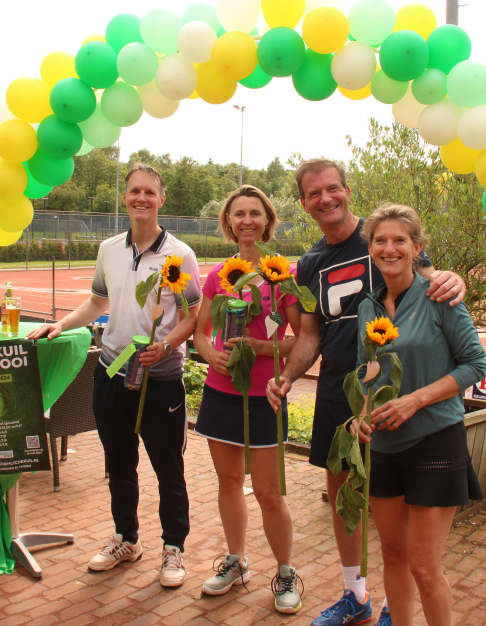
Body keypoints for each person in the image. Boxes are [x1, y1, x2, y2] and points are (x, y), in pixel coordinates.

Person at [265, 159, 466, 626]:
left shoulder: (382, 237)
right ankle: (354, 593)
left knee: (400, 501)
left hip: (398, 390)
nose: (326, 198)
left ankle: (399, 604)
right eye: (314, 193)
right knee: (343, 492)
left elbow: (434, 282)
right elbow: (310, 335)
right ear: (303, 203)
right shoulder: (310, 263)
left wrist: (457, 278)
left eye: (332, 188)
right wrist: (289, 375)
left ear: (347, 190)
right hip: (340, 388)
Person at [28, 163, 202, 587]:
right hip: (111, 374)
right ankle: (126, 539)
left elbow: (193, 316)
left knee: (168, 470)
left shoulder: (180, 255)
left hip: (161, 380)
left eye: (149, 192)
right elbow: (96, 303)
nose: (141, 198)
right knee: (119, 465)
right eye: (134, 191)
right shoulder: (108, 249)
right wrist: (61, 324)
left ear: (161, 200)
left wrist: (166, 345)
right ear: (125, 197)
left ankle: (173, 548)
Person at [350, 205, 486, 626]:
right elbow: (366, 373)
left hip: (434, 440)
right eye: (380, 240)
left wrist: (415, 400)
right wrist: (361, 414)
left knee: (424, 567)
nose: (389, 248)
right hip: (383, 446)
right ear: (370, 249)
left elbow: (474, 365)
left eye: (399, 240)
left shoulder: (439, 296)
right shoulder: (369, 306)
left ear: (417, 247)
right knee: (393, 556)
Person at [192, 185, 303, 613]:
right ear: (229, 221)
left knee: (269, 493)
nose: (247, 221)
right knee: (229, 482)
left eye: (255, 213)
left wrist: (260, 348)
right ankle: (236, 562)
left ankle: (286, 572)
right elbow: (201, 333)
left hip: (264, 396)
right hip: (222, 393)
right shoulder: (218, 275)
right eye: (239, 214)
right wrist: (211, 356)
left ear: (267, 220)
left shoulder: (282, 275)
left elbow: (300, 339)